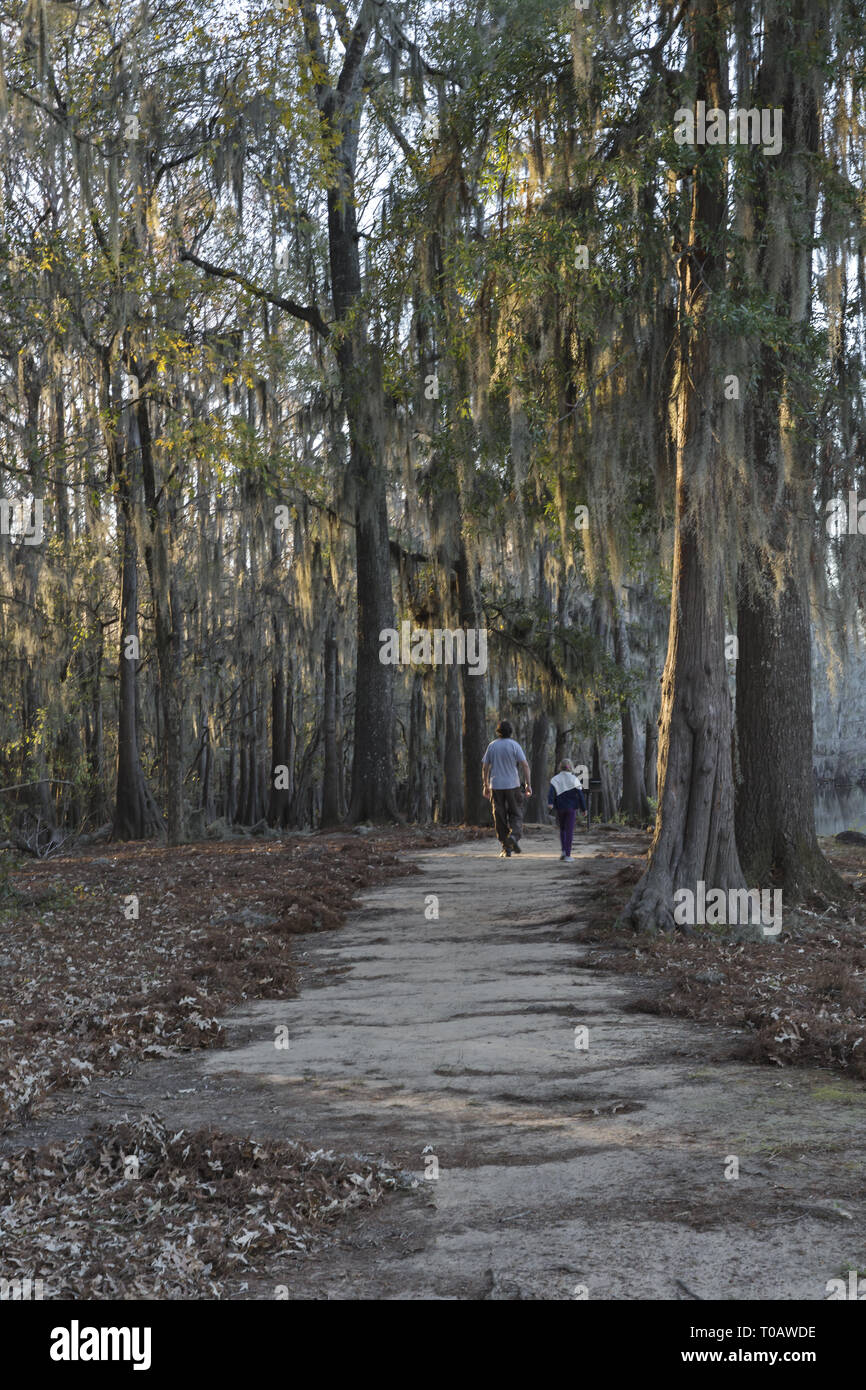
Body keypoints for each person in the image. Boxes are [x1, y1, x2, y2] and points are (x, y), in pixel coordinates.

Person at [481, 720, 532, 859]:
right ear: (511, 732)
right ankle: (514, 837)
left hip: (496, 785)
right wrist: (528, 784)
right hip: (513, 785)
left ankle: (506, 847)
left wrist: (485, 785)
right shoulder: (514, 745)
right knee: (516, 813)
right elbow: (525, 765)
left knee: (499, 816)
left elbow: (485, 767)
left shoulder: (492, 746)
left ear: (498, 732)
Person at [547, 759, 587, 862]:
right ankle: (568, 855)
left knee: (562, 829)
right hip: (571, 808)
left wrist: (550, 803)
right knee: (569, 831)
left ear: (560, 767)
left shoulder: (555, 779)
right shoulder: (574, 779)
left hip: (560, 808)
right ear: (571, 767)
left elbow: (551, 792)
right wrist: (584, 808)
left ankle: (563, 851)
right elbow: (580, 795)